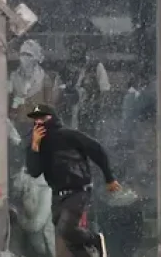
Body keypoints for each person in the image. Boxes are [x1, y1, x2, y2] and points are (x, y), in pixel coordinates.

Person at [26, 103, 120, 257]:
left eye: (43, 118)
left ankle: (94, 239)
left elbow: (97, 150)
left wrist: (109, 178)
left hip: (78, 189)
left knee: (66, 228)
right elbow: (34, 171)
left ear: (52, 118)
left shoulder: (68, 136)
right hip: (57, 194)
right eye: (36, 120)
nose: (39, 123)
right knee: (69, 239)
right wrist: (35, 146)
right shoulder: (36, 143)